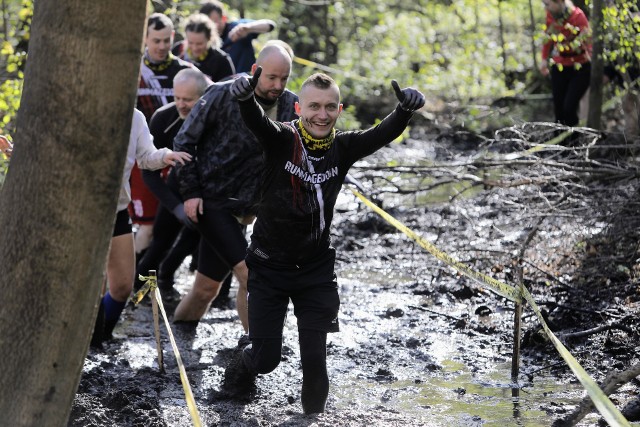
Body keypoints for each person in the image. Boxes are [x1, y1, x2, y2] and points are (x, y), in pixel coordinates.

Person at [222, 71, 425, 414]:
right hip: (269, 266)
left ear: (339, 109)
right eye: (314, 106)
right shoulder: (283, 140)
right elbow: (258, 123)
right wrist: (245, 99)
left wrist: (404, 110)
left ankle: (311, 419)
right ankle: (242, 363)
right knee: (266, 359)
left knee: (315, 363)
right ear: (299, 108)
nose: (322, 114)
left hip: (315, 269)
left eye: (330, 107)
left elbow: (381, 134)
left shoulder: (342, 147)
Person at [172, 43, 298, 332]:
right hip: (211, 200)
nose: (277, 85)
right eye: (271, 78)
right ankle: (259, 346)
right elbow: (184, 142)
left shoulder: (291, 104)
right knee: (250, 275)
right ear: (256, 71)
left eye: (284, 79)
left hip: (249, 206)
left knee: (205, 290)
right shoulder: (222, 93)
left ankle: (179, 335)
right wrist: (190, 192)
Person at [91, 108, 191, 347]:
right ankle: (85, 346)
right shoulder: (79, 108)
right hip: (81, 214)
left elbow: (146, 156)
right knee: (91, 289)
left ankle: (102, 341)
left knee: (123, 286)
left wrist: (165, 156)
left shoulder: (134, 117)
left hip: (116, 210)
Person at [134, 68, 209, 300]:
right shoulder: (163, 118)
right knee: (161, 240)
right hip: (175, 186)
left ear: (203, 98)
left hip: (207, 189)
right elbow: (148, 173)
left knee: (192, 239)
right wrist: (175, 206)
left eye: (188, 100)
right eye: (177, 98)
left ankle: (166, 278)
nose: (181, 105)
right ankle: (136, 292)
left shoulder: (215, 116)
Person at [132, 13, 198, 262]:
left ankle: (158, 279)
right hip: (144, 156)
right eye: (155, 40)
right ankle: (133, 283)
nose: (161, 46)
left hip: (180, 156)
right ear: (145, 39)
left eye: (165, 40)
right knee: (147, 226)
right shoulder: (133, 72)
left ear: (173, 38)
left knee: (168, 226)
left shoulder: (186, 71)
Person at [540, 0, 592, 127]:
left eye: (548, 4)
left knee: (569, 108)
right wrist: (543, 59)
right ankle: (560, 143)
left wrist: (578, 43)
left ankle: (574, 142)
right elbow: (547, 38)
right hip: (559, 66)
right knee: (559, 110)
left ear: (559, 2)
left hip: (580, 67)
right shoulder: (550, 16)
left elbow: (589, 42)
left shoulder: (578, 16)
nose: (546, 8)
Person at [200, 1, 276, 73]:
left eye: (214, 21)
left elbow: (270, 25)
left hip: (248, 81)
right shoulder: (204, 42)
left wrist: (248, 28)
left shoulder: (237, 27)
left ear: (223, 18)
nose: (211, 26)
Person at [172, 13, 236, 82]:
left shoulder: (221, 61)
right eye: (190, 42)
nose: (194, 48)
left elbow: (228, 88)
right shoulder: (177, 51)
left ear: (209, 39)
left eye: (199, 44)